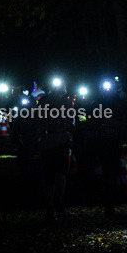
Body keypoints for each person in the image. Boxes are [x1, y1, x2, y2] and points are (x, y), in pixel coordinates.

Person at [39, 93, 74, 222]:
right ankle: (54, 205)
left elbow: (71, 121)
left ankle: (55, 205)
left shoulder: (63, 101)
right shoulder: (59, 101)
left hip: (54, 142)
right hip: (53, 142)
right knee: (56, 174)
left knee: (57, 174)